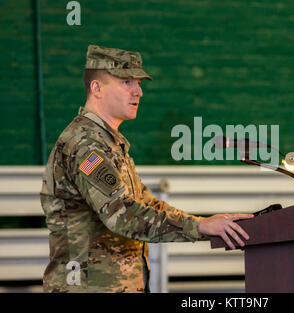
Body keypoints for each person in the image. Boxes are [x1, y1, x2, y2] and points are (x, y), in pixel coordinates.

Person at [40, 45, 253, 293]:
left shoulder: (108, 143)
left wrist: (207, 224)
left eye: (139, 83)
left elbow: (147, 204)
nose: (138, 92)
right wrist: (200, 227)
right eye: (126, 82)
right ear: (96, 88)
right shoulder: (85, 146)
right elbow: (123, 214)